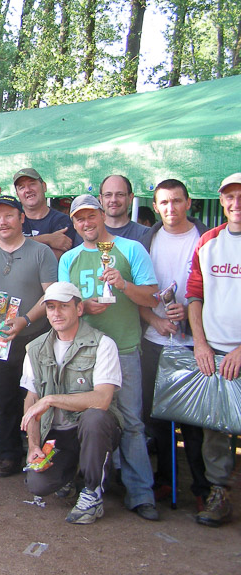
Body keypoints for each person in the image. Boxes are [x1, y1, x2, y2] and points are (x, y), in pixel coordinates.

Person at [59, 194, 160, 521]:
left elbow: (153, 297)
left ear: (102, 215)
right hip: (84, 353)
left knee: (131, 421)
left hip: (124, 348)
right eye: (79, 219)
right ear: (74, 223)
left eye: (91, 216)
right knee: (86, 420)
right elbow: (62, 305)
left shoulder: (131, 249)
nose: (86, 224)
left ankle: (141, 493)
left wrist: (124, 285)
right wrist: (83, 307)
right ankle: (90, 485)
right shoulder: (70, 259)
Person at [0, 195, 56, 477]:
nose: (2, 222)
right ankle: (8, 454)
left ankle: (37, 451)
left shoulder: (41, 253)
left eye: (8, 216)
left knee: (35, 396)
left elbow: (50, 295)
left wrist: (25, 319)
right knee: (3, 400)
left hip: (35, 339)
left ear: (21, 218)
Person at [20, 282, 123, 525]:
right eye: (51, 307)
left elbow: (102, 399)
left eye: (64, 307)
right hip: (58, 435)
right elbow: (31, 401)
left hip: (92, 429)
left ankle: (92, 491)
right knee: (37, 484)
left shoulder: (103, 344)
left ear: (78, 309)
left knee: (94, 418)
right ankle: (68, 476)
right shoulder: (35, 348)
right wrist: (33, 445)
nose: (56, 313)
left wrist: (51, 399)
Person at [138, 179, 209, 505]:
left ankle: (201, 487)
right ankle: (165, 480)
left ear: (189, 202)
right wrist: (155, 320)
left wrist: (195, 311)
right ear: (155, 206)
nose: (171, 208)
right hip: (155, 340)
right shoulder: (146, 240)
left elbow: (218, 292)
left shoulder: (206, 239)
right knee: (157, 418)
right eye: (164, 203)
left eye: (177, 201)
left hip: (194, 343)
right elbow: (138, 294)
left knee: (193, 421)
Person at [186, 172, 241, 528]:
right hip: (215, 353)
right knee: (215, 430)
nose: (236, 204)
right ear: (221, 201)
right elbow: (194, 295)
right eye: (230, 197)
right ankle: (219, 493)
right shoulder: (208, 241)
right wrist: (201, 343)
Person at [13, 167, 76, 259]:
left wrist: (18, 245)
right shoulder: (13, 220)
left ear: (44, 186)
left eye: (32, 184)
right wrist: (47, 239)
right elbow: (1, 244)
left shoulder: (62, 220)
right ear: (18, 194)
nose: (27, 190)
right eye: (21, 187)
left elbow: (51, 260)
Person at [99, 175, 149, 242]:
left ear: (130, 198)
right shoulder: (88, 234)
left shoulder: (145, 234)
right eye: (108, 195)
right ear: (101, 199)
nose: (113, 200)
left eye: (120, 194)